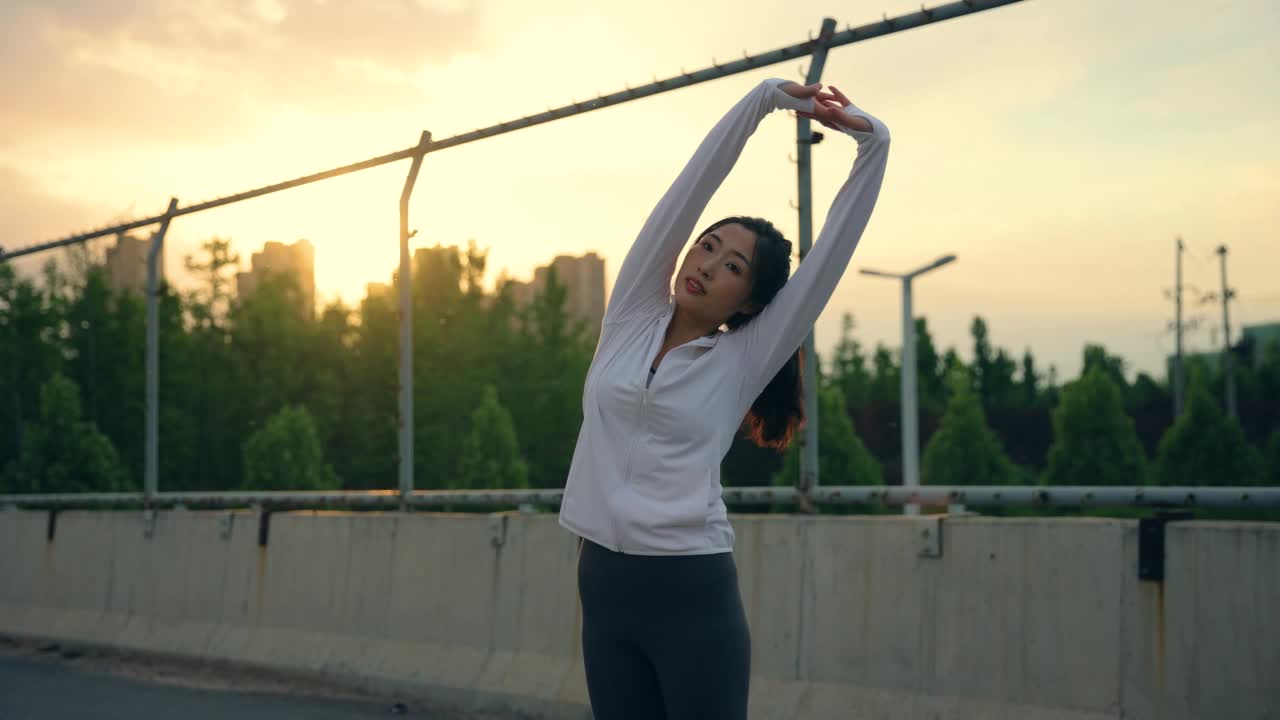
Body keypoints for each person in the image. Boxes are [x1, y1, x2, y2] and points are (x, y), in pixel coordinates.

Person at [557, 77, 890, 720]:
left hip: (691, 596)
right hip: (601, 586)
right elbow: (687, 194)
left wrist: (873, 145)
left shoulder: (742, 359)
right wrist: (764, 99)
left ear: (753, 303)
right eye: (708, 247)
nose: (707, 265)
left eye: (732, 266)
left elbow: (829, 259)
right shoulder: (628, 317)